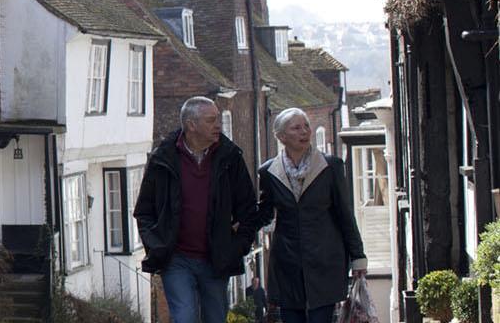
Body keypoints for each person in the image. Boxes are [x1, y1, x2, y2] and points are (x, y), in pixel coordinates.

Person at [136, 96, 266, 323]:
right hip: (176, 258)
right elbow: (144, 211)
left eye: (218, 120)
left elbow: (248, 209)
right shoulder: (162, 158)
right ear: (191, 125)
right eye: (211, 120)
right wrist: (156, 245)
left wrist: (237, 246)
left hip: (216, 259)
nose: (218, 126)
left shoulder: (230, 158)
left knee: (215, 318)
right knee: (184, 317)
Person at [255, 108, 366, 323]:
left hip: (324, 259)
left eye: (306, 126)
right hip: (287, 262)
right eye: (296, 128)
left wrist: (358, 256)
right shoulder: (268, 172)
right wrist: (238, 224)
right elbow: (265, 212)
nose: (304, 131)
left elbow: (345, 213)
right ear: (281, 136)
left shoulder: (330, 166)